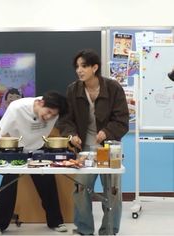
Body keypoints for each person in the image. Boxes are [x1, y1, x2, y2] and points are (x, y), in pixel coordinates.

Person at [57, 49, 129, 235]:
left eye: (84, 66)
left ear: (94, 67)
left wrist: (106, 132)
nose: (79, 70)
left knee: (112, 192)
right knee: (80, 189)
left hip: (110, 149)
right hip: (85, 150)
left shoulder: (113, 88)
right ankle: (84, 230)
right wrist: (72, 134)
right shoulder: (73, 89)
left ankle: (109, 230)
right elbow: (65, 119)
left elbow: (122, 120)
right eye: (77, 67)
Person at [0, 91, 68, 235]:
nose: (49, 117)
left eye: (53, 115)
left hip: (37, 148)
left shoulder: (53, 110)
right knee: (8, 185)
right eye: (48, 112)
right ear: (39, 103)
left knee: (48, 183)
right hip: (14, 149)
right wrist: (7, 154)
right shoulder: (16, 107)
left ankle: (56, 221)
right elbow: (3, 132)